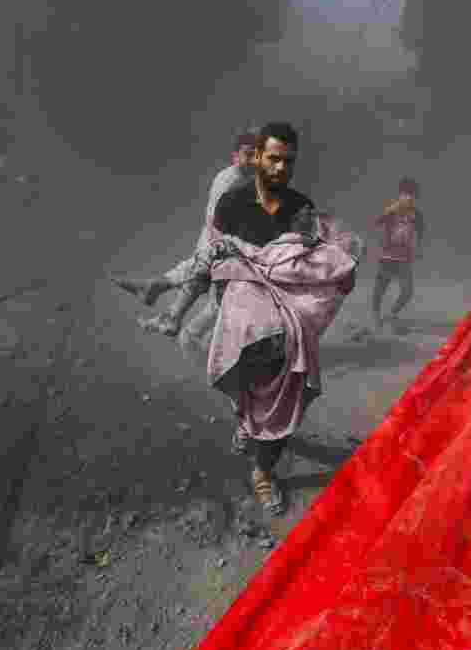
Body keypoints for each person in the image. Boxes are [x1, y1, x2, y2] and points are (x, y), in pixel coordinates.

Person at [139, 122, 323, 515]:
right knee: (247, 380)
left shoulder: (301, 207)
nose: (280, 168)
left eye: (288, 161)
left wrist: (334, 262)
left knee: (293, 387)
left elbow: (312, 260)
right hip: (239, 309)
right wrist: (174, 292)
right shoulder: (231, 202)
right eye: (273, 158)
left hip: (285, 313)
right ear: (258, 158)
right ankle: (248, 422)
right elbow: (211, 254)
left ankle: (262, 471)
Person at [112, 132, 257, 356]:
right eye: (248, 154)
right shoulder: (229, 180)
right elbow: (215, 218)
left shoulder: (247, 179)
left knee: (217, 291)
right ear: (235, 156)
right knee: (214, 286)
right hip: (219, 239)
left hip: (227, 241)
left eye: (256, 155)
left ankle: (164, 301)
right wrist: (219, 247)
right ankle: (184, 325)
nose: (253, 159)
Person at [371, 177, 426, 332]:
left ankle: (392, 314)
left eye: (411, 195)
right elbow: (376, 223)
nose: (408, 197)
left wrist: (419, 249)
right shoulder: (392, 210)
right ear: (400, 194)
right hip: (387, 257)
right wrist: (388, 214)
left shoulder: (417, 214)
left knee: (407, 291)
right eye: (405, 194)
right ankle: (375, 316)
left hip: (404, 259)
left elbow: (421, 233)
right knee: (380, 289)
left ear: (415, 197)